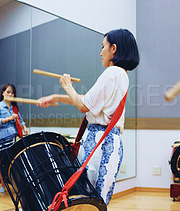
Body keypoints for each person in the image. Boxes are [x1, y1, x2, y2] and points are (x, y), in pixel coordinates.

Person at [38, 28, 139, 205]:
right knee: (96, 200)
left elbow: (83, 106)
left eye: (103, 47)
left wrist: (68, 86)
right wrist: (56, 97)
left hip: (100, 141)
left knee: (87, 198)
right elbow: (88, 101)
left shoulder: (112, 72)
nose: (100, 53)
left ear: (113, 48)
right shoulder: (120, 75)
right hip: (106, 140)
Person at [0, 83, 29, 193]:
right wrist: (9, 118)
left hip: (15, 136)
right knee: (2, 161)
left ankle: (16, 185)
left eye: (12, 93)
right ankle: (3, 186)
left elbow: (21, 121)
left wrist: (24, 128)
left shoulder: (15, 108)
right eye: (8, 92)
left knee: (16, 161)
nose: (10, 94)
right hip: (3, 135)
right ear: (3, 93)